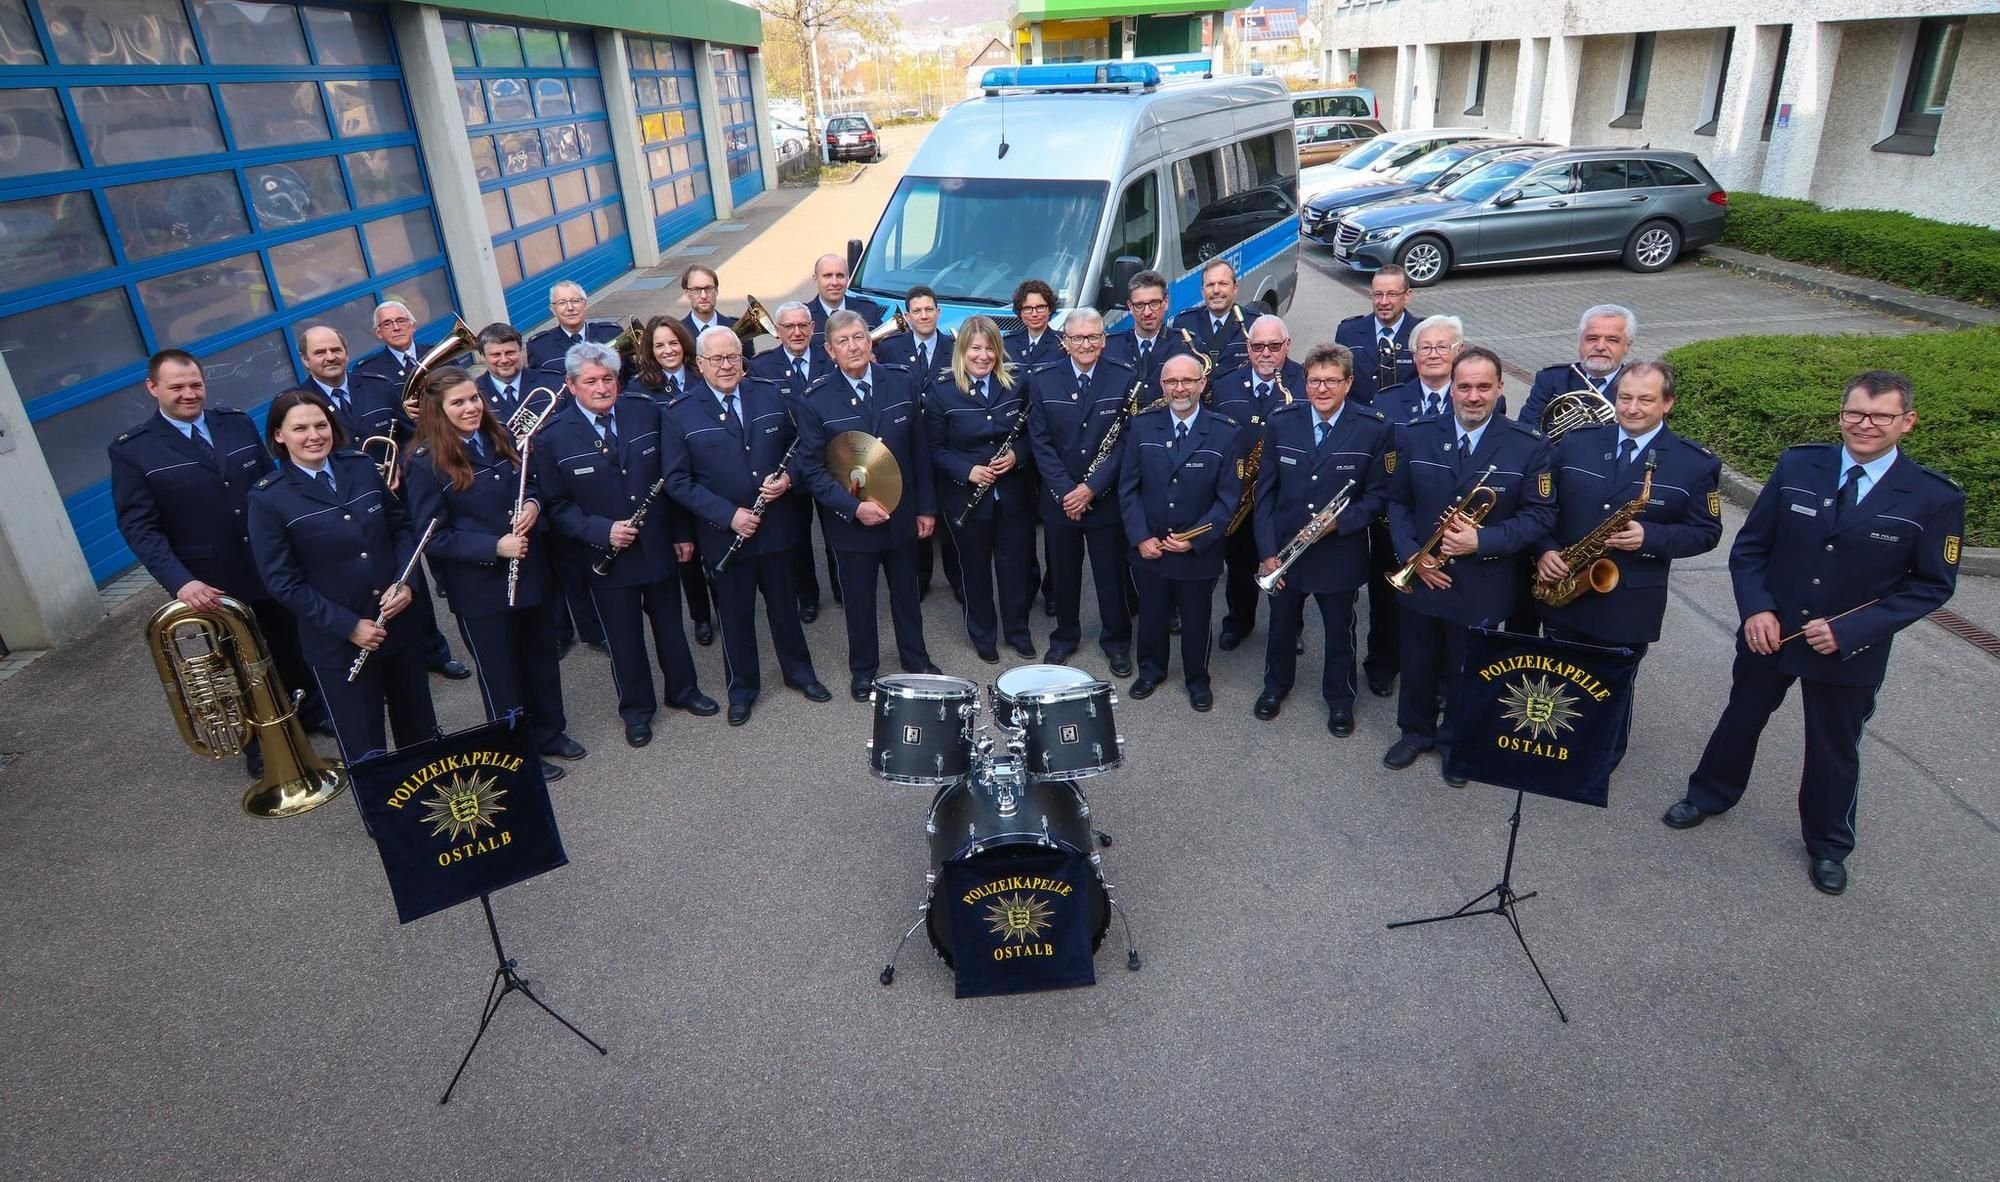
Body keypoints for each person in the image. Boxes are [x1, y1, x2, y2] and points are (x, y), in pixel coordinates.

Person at [1666, 371, 1964, 896]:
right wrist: (1757, 609)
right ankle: (1709, 794)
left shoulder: (1932, 498)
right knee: (1741, 718)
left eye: (1880, 416)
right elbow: (1752, 548)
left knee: (1834, 748)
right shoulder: (1799, 466)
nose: (1865, 425)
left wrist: (1852, 631)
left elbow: (1930, 586)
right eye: (1854, 413)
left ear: (1907, 422)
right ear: (1841, 414)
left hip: (1849, 652)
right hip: (1771, 634)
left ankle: (1828, 844)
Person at [111, 349, 328, 777]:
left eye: (195, 384)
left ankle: (310, 714)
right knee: (237, 666)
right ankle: (260, 746)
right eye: (177, 387)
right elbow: (140, 528)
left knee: (292, 648)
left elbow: (272, 485)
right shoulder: (134, 451)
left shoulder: (236, 422)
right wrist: (181, 582)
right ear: (153, 389)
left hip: (270, 566)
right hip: (211, 583)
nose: (189, 393)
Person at [1532, 360, 1722, 768]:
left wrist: (1650, 537)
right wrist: (1545, 549)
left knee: (1612, 684)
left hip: (1629, 598)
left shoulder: (1695, 463)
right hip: (1566, 585)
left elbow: (1706, 532)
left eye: (1646, 399)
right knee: (1558, 672)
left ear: (1667, 403)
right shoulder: (1575, 442)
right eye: (1625, 397)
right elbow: (1542, 507)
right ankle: (1553, 749)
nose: (1632, 408)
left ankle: (1600, 759)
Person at [401, 367, 584, 783]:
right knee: (500, 672)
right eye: (458, 402)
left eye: (473, 398)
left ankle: (550, 733)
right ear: (438, 410)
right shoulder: (425, 463)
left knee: (540, 657)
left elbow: (530, 485)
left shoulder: (500, 436)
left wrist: (534, 506)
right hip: (480, 586)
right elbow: (433, 537)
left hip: (528, 571)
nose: (470, 408)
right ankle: (518, 751)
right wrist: (493, 547)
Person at [533, 342, 719, 747]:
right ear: (571, 385)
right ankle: (636, 711)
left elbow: (673, 478)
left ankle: (684, 690)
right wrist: (602, 531)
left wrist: (682, 533)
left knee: (671, 626)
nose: (601, 388)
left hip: (658, 545)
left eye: (607, 379)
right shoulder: (551, 439)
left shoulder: (645, 411)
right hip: (606, 557)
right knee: (624, 638)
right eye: (591, 381)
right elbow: (556, 507)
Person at [1382, 345, 1554, 785]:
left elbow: (1540, 515)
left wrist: (1482, 539)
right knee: (1417, 661)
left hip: (1483, 581)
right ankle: (1415, 732)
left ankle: (1455, 742)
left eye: (1483, 387)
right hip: (1422, 577)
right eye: (1464, 387)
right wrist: (1411, 556)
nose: (1473, 396)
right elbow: (1398, 503)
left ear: (1500, 389)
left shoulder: (1526, 446)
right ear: (1451, 390)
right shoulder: (1416, 434)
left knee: (1468, 670)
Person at [246, 388, 438, 764]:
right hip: (339, 643)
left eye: (321, 425)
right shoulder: (268, 498)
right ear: (279, 436)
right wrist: (348, 625)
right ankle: (385, 821)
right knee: (365, 749)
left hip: (398, 625)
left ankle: (426, 815)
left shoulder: (360, 466)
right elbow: (282, 581)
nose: (314, 435)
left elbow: (399, 528)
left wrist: (407, 582)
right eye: (300, 428)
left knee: (420, 733)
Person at [660, 328, 832, 725]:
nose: (725, 365)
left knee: (784, 608)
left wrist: (788, 479)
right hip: (724, 536)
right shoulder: (678, 412)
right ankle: (742, 689)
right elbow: (677, 481)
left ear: (742, 358)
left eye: (732, 357)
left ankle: (799, 674)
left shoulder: (770, 393)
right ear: (700, 364)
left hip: (775, 527)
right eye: (716, 359)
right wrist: (728, 515)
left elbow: (802, 447)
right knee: (735, 617)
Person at [794, 309, 939, 699]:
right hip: (851, 523)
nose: (853, 346)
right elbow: (811, 470)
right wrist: (854, 508)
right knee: (859, 601)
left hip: (902, 514)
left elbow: (919, 449)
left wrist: (926, 508)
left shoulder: (901, 381)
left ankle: (915, 657)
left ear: (870, 340)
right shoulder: (816, 400)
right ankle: (864, 670)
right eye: (843, 341)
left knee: (907, 592)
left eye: (859, 337)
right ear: (829, 350)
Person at [1251, 344, 1394, 737]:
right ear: (1305, 382)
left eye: (1332, 381)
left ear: (1348, 383)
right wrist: (1267, 554)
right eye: (1315, 380)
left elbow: (1379, 495)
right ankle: (1275, 686)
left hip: (1339, 553)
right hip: (1285, 552)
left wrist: (1341, 522)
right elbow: (1264, 495)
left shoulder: (1374, 427)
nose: (1322, 388)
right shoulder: (1282, 421)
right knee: (1280, 627)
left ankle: (1340, 700)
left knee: (1339, 634)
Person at [1119, 353, 1243, 711]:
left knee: (1196, 618)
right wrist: (1140, 537)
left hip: (1196, 551)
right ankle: (1151, 670)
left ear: (1202, 384)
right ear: (1162, 386)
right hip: (1151, 545)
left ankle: (1197, 679)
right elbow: (1129, 488)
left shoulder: (1225, 432)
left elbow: (1227, 500)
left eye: (1187, 380)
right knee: (1152, 613)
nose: (1180, 388)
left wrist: (1195, 540)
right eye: (1172, 381)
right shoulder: (1143, 426)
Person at [1026, 307, 1138, 674]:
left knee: (1110, 576)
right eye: (1078, 338)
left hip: (1103, 500)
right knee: (1064, 574)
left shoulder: (1124, 377)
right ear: (1065, 342)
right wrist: (1066, 492)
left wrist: (1090, 489)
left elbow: (1125, 442)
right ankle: (1065, 637)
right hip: (1061, 502)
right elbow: (1040, 443)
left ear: (1104, 341)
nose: (1086, 344)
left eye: (1093, 337)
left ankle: (1116, 642)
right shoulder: (1043, 380)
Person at [1365, 313, 1468, 697]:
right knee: (1386, 598)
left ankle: (1441, 677)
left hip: (1453, 524)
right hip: (1397, 518)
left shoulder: (1473, 395)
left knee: (1445, 600)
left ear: (1458, 352)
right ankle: (1382, 663)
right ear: (1413, 355)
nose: (1433, 354)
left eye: (1443, 346)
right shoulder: (1388, 400)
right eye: (1425, 347)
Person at [926, 314, 1037, 663]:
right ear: (962, 350)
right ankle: (983, 635)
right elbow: (934, 449)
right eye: (976, 348)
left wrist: (1017, 456)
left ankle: (1018, 632)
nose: (983, 355)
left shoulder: (1017, 384)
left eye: (990, 348)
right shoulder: (942, 392)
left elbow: (1036, 435)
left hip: (1013, 496)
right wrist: (967, 470)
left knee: (1014, 567)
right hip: (966, 499)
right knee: (974, 569)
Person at [1211, 314, 1306, 652]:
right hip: (1240, 494)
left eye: (1274, 346)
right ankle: (1239, 620)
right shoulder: (1224, 384)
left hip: (1286, 494)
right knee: (1239, 564)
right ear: (1247, 347)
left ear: (1288, 346)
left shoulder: (1306, 381)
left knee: (1287, 564)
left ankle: (1290, 628)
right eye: (1257, 346)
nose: (1265, 352)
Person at [629, 315, 717, 647]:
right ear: (649, 351)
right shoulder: (639, 388)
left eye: (674, 342)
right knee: (687, 554)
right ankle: (701, 616)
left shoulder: (701, 373)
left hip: (710, 474)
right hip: (672, 482)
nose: (668, 350)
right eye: (659, 345)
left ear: (685, 343)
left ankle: (726, 605)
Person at [749, 301, 837, 621]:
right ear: (778, 331)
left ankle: (842, 588)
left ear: (813, 328)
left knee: (836, 529)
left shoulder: (831, 358)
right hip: (791, 465)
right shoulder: (762, 367)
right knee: (798, 537)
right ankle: (808, 596)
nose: (797, 332)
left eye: (803, 326)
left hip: (831, 462)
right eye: (789, 326)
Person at [1520, 305, 1637, 431]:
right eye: (1592, 338)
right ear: (1580, 341)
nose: (1600, 347)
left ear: (1627, 346)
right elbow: (1526, 430)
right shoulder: (1551, 379)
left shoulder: (1637, 386)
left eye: (1612, 340)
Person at [1333, 265, 1422, 407]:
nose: (1384, 302)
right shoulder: (1348, 332)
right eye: (1378, 294)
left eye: (1392, 294)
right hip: (1361, 420)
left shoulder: (1423, 333)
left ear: (1407, 296)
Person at [295, 326, 395, 444]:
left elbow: (410, 437)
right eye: (320, 353)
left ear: (347, 354)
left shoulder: (380, 387)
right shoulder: (298, 403)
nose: (331, 357)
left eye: (336, 350)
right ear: (305, 360)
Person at [1102, 269, 1193, 394]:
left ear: (1166, 303)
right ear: (1130, 306)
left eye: (1154, 303)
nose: (1147, 312)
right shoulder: (1110, 347)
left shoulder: (1186, 345)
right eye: (1139, 305)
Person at [1170, 259, 1258, 375]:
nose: (1216, 290)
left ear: (1235, 288)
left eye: (1223, 284)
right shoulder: (1184, 323)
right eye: (1210, 285)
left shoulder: (1253, 324)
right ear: (1202, 291)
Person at [526, 280, 622, 374]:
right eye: (562, 303)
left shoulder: (612, 334)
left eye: (575, 301)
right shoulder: (539, 346)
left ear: (584, 304)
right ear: (553, 310)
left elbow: (630, 375)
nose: (570, 308)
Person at [679, 264, 757, 359]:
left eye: (708, 288)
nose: (703, 296)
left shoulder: (740, 328)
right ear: (686, 293)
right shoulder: (677, 332)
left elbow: (749, 367)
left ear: (716, 291)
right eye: (696, 290)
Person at [806, 253, 884, 335]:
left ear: (848, 278)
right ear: (815, 278)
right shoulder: (805, 317)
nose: (835, 282)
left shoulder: (868, 310)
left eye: (840, 276)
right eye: (827, 276)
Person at [473, 322, 532, 426]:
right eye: (496, 355)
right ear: (482, 357)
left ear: (521, 351)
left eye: (510, 353)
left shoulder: (551, 383)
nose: (504, 360)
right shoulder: (473, 392)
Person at [1002, 280, 1062, 373]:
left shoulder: (1062, 343)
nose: (1034, 314)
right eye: (1028, 308)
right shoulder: (1007, 344)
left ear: (1050, 309)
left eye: (1040, 307)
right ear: (1020, 312)